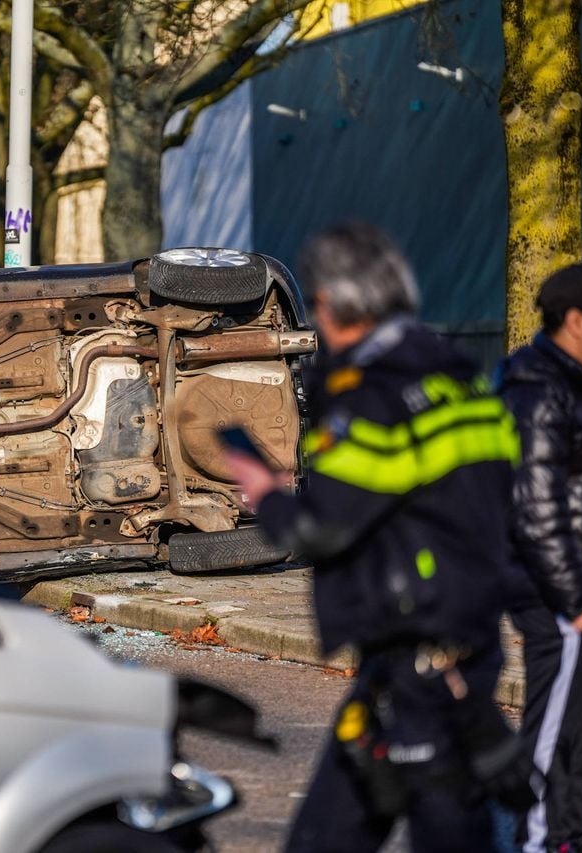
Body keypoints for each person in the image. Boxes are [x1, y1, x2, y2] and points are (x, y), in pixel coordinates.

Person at [226, 222, 525, 852]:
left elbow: (324, 527)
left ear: (331, 305)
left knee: (444, 830)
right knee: (336, 828)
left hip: (416, 658)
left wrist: (267, 494)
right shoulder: (461, 377)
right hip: (459, 641)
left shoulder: (368, 396)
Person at [499, 263, 582, 853]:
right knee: (549, 727)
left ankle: (570, 834)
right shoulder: (538, 388)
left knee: (578, 723)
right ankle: (536, 840)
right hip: (558, 589)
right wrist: (575, 602)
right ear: (577, 320)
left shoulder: (579, 383)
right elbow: (536, 507)